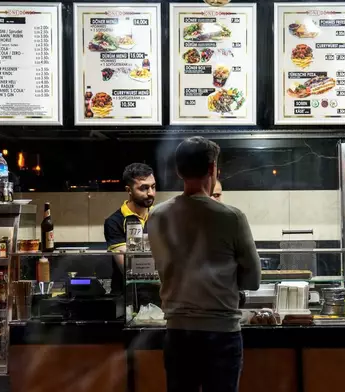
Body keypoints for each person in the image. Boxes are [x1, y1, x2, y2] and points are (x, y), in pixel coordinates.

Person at [148, 136, 261, 392]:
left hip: (177, 334)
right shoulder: (231, 217)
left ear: (178, 171)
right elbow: (253, 281)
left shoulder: (157, 216)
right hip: (221, 334)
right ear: (213, 169)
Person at [104, 163, 156, 291]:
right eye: (144, 188)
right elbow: (129, 270)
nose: (151, 193)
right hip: (126, 295)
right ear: (129, 190)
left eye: (153, 187)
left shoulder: (160, 216)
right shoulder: (115, 221)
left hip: (157, 296)